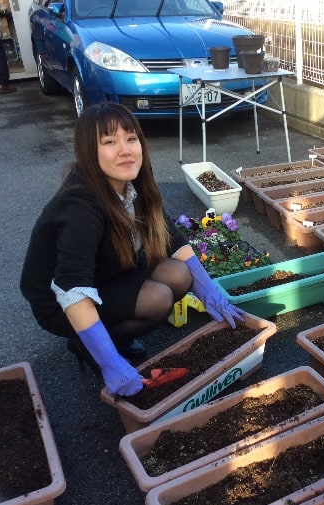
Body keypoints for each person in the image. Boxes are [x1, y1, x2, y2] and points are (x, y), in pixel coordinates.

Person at [20, 102, 245, 396]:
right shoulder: (79, 205)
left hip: (104, 275)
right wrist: (109, 362)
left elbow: (171, 238)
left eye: (131, 138)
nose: (125, 150)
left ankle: (108, 331)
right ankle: (90, 343)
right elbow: (71, 289)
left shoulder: (132, 181)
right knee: (158, 298)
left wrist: (209, 290)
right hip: (59, 302)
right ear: (89, 150)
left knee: (179, 274)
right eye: (109, 142)